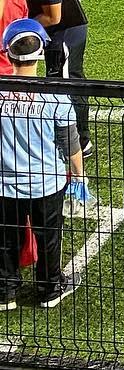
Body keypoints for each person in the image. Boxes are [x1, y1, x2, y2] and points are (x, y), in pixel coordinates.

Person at [0, 18, 87, 309]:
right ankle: (49, 288)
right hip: (45, 182)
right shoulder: (54, 97)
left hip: (4, 184)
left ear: (8, 53)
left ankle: (5, 290)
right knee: (48, 236)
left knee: (5, 238)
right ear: (40, 53)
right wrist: (79, 177)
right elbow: (70, 142)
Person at [5, 0, 89, 152]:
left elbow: (53, 17)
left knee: (66, 90)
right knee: (68, 84)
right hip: (67, 32)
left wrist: (20, 29)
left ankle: (80, 142)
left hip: (64, 37)